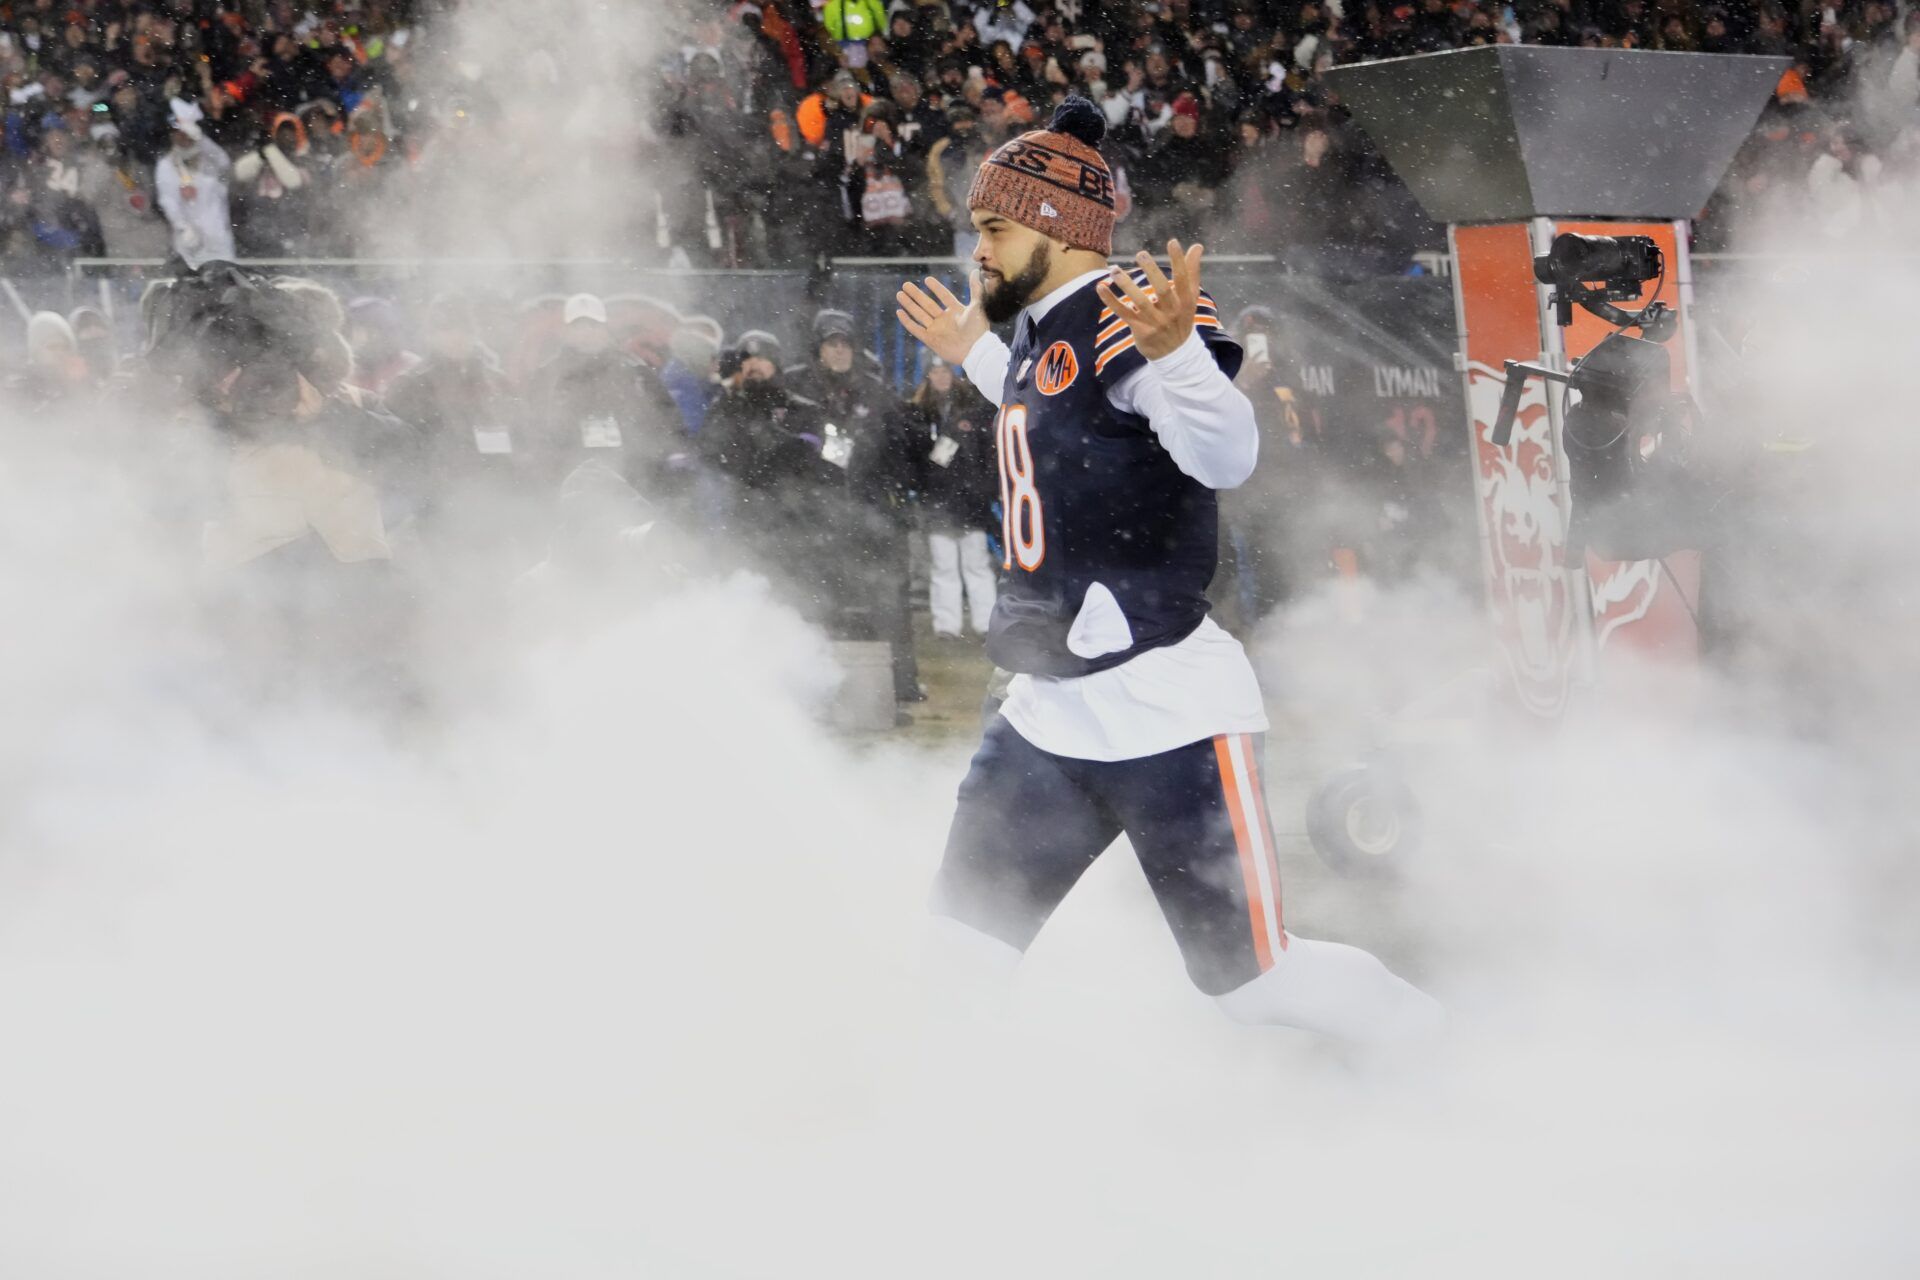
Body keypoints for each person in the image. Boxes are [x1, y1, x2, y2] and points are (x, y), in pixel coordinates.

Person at [893, 97, 1442, 1046]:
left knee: (1249, 984)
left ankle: (1426, 1038)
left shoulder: (1131, 314)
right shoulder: (1037, 327)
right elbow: (1051, 406)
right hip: (1050, 706)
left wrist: (1181, 353)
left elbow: (1226, 457)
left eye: (993, 226)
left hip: (1166, 708)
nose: (976, 249)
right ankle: (955, 1145)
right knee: (958, 952)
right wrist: (975, 353)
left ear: (1057, 228)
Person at [784, 308, 926, 703]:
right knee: (817, 600)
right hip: (815, 514)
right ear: (818, 349)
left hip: (870, 512)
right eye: (832, 344)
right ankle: (815, 684)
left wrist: (897, 501)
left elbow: (901, 449)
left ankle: (899, 681)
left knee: (887, 598)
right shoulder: (796, 388)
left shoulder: (876, 391)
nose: (840, 351)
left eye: (845, 343)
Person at [910, 357, 998, 638]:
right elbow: (914, 457)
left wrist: (986, 487)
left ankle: (986, 623)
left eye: (945, 370)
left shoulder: (973, 408)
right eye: (934, 371)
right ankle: (947, 625)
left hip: (972, 500)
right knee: (943, 565)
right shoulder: (918, 411)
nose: (941, 376)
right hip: (937, 500)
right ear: (927, 377)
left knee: (977, 563)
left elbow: (989, 451)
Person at [153, 99, 235, 268]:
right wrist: (183, 227)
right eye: (177, 133)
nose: (182, 137)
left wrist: (201, 139)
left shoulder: (209, 159)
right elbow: (168, 201)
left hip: (218, 240)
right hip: (189, 243)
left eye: (185, 133)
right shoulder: (166, 165)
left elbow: (224, 163)